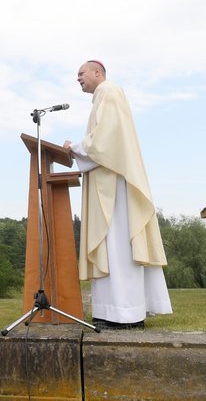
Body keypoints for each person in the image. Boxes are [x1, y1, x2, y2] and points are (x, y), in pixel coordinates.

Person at [63, 60, 172, 329]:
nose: (78, 78)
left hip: (113, 188)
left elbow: (105, 141)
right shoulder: (103, 96)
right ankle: (110, 310)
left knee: (118, 245)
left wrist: (74, 147)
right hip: (106, 180)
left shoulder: (108, 91)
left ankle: (125, 312)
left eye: (81, 73)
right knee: (112, 246)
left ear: (97, 73)